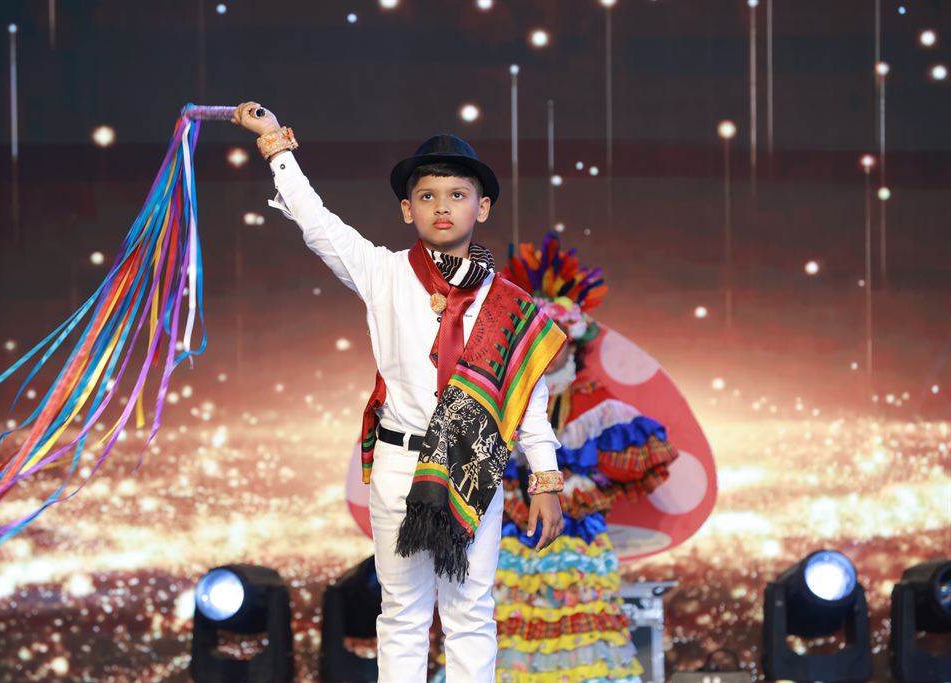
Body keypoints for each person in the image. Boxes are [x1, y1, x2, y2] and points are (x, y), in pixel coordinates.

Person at [232, 102, 568, 682]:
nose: (443, 207)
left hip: (473, 466)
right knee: (403, 614)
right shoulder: (383, 273)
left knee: (470, 612)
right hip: (398, 465)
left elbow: (527, 403)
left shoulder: (510, 304)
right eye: (428, 196)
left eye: (458, 195)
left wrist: (546, 479)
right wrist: (275, 146)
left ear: (483, 207)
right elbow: (317, 223)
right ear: (407, 208)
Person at [491, 233, 681, 683]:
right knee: (506, 639)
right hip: (512, 545)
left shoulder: (597, 406)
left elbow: (639, 458)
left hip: (577, 546)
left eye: (556, 338)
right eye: (538, 338)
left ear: (573, 341)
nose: (548, 348)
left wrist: (582, 476)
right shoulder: (501, 401)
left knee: (585, 645)